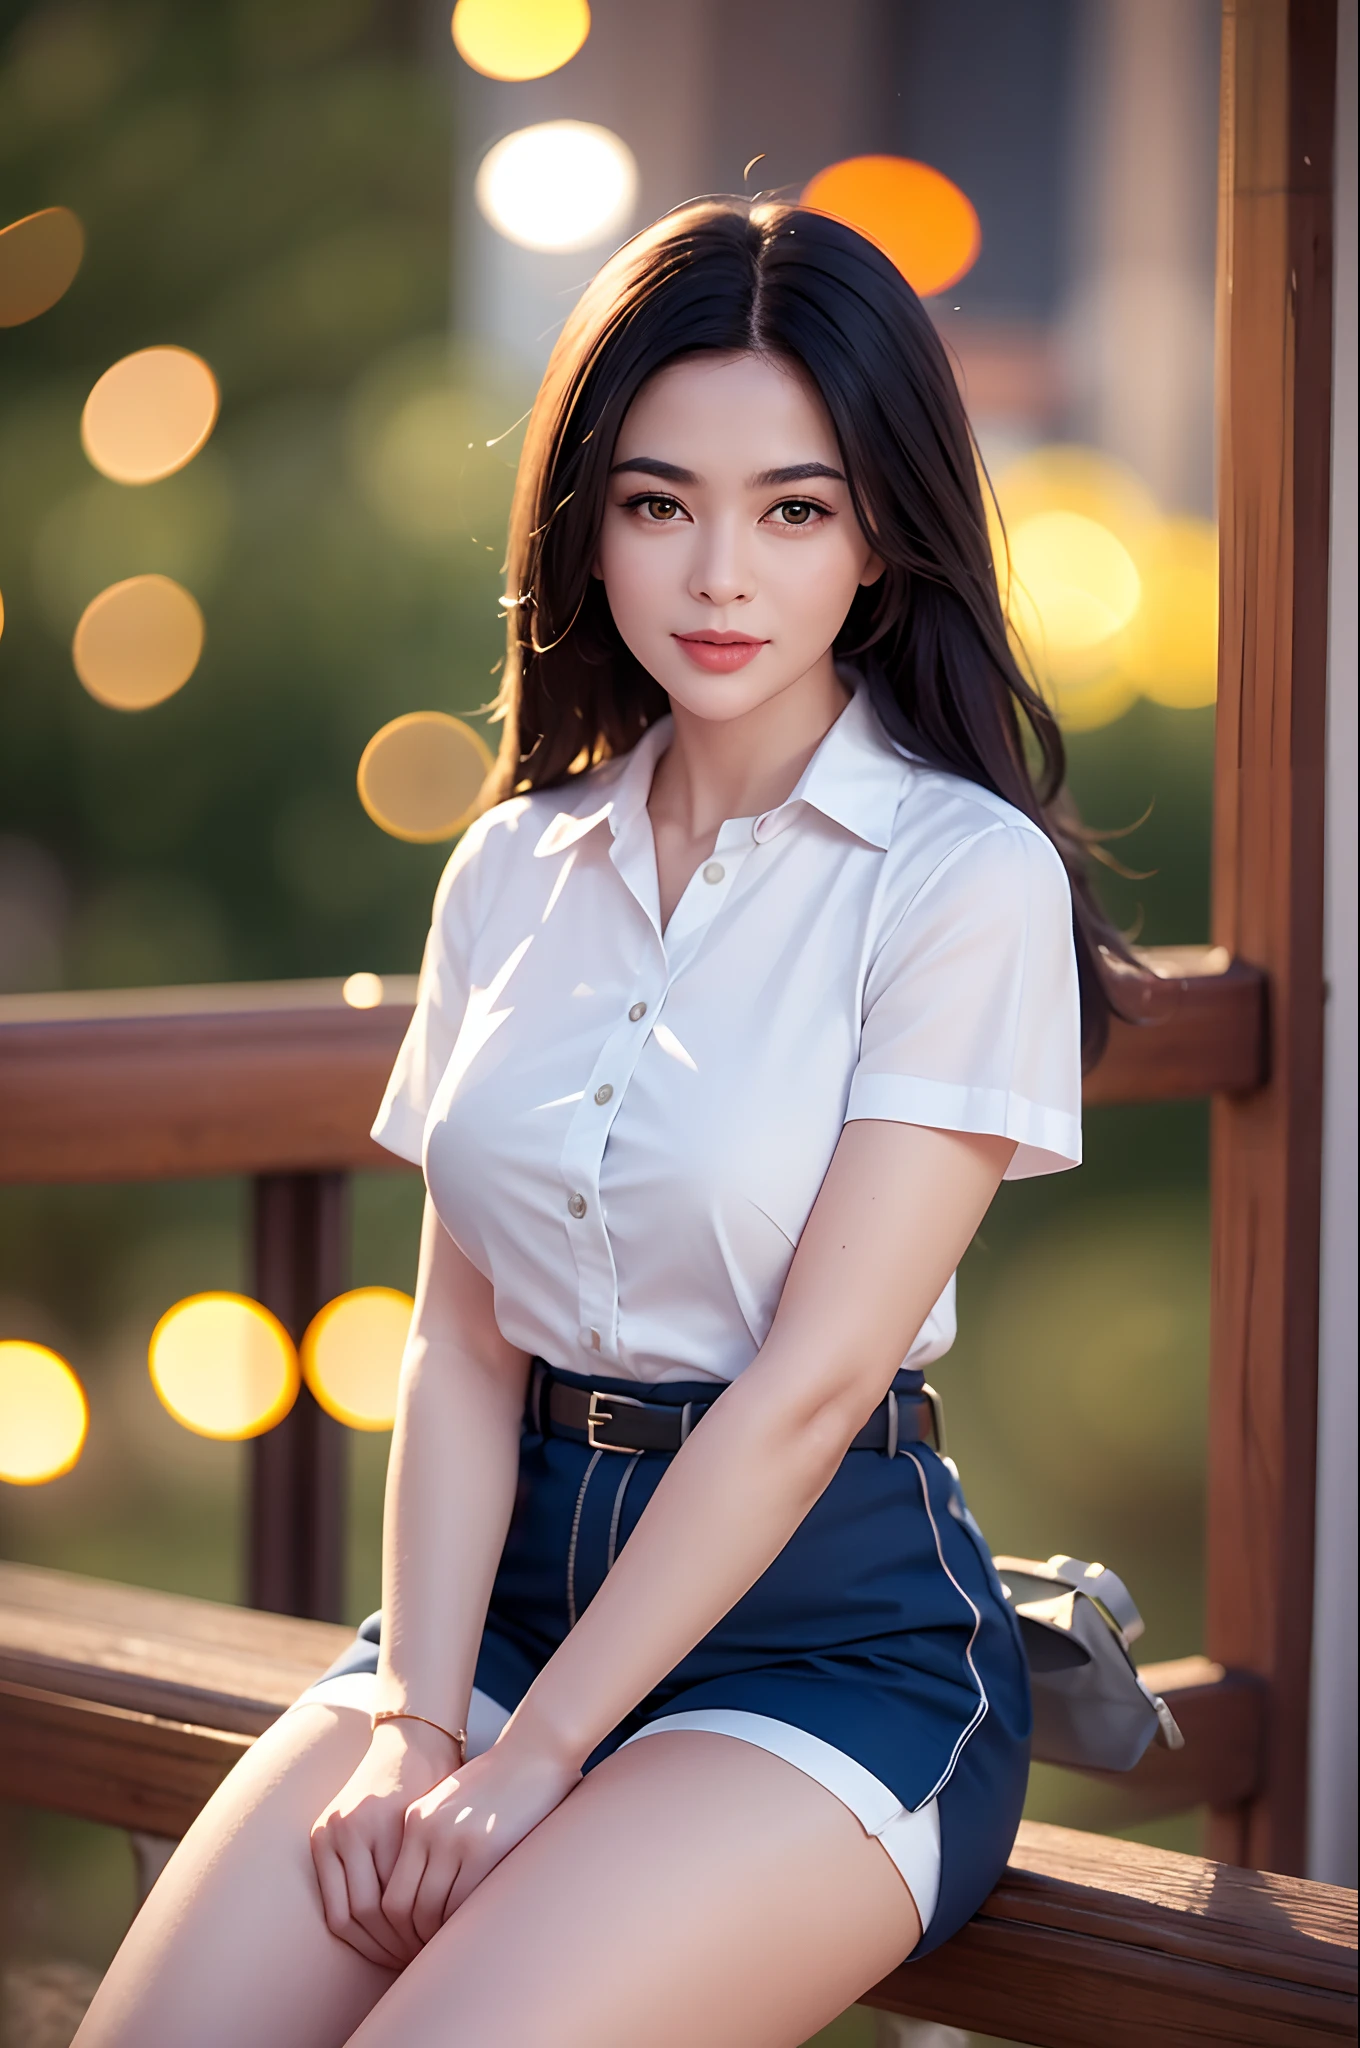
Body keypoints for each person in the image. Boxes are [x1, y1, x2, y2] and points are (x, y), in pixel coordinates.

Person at [76, 198, 1126, 2048]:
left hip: (827, 1637)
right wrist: (421, 1724)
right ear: (589, 523)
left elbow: (807, 1391)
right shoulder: (513, 864)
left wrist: (537, 1758)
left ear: (882, 533)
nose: (719, 573)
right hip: (496, 1604)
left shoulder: (960, 879)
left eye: (792, 509)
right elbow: (463, 1353)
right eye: (660, 504)